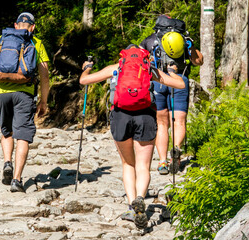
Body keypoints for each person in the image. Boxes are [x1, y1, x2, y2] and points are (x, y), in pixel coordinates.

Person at [79, 45, 185, 229]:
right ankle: (140, 198)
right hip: (145, 116)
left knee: (128, 164)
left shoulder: (116, 68)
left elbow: (84, 81)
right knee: (143, 165)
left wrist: (87, 67)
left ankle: (131, 206)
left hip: (120, 116)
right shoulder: (149, 70)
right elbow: (180, 84)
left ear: (124, 56)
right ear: (144, 57)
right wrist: (172, 71)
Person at [0, 12, 50, 192]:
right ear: (32, 27)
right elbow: (45, 75)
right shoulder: (36, 42)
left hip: (0, 93)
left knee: (6, 132)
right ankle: (17, 180)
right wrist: (43, 101)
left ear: (16, 25)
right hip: (24, 94)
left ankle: (7, 161)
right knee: (23, 135)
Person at [140, 17, 203, 175]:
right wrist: (190, 45)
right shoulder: (184, 39)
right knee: (179, 121)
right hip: (179, 80)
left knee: (162, 123)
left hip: (159, 80)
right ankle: (176, 150)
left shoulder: (150, 40)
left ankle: (162, 162)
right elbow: (198, 61)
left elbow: (140, 61)